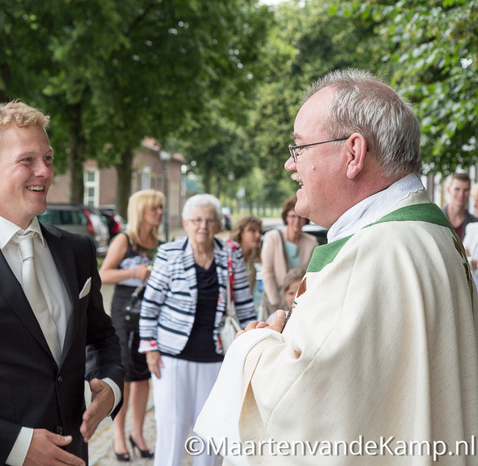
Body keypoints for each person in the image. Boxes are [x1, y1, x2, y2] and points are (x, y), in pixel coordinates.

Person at [195, 69, 478, 464]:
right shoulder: (433, 235)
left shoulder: (372, 252)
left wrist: (252, 346)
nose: (289, 165)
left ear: (353, 153)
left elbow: (302, 403)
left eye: (299, 149)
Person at [0, 101, 124, 466]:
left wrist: (110, 388)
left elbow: (102, 337)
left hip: (75, 455)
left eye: (48, 159)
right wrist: (14, 444)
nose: (44, 172)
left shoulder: (78, 250)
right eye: (27, 161)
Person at [139, 193, 256, 466]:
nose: (203, 225)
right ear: (186, 223)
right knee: (172, 426)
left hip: (216, 356)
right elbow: (150, 305)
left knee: (210, 430)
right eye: (197, 220)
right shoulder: (169, 253)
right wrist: (150, 350)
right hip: (172, 356)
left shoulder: (231, 253)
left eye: (210, 220)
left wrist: (251, 341)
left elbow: (245, 304)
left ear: (218, 224)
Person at [98, 189, 164, 462]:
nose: (160, 213)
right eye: (154, 209)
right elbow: (103, 274)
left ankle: (137, 433)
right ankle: (118, 435)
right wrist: (133, 272)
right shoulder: (124, 240)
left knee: (143, 376)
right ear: (141, 212)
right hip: (124, 314)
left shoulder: (159, 243)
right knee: (124, 377)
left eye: (161, 208)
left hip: (151, 314)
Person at [260, 197, 317, 319]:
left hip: (299, 302)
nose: (297, 220)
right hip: (275, 299)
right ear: (286, 217)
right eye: (292, 216)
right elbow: (267, 272)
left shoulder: (312, 242)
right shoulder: (272, 237)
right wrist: (275, 302)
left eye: (301, 217)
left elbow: (313, 274)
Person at [229, 216, 262, 294]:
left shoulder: (252, 261)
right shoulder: (230, 257)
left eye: (260, 231)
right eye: (253, 231)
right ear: (240, 232)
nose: (258, 235)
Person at [441, 172, 476, 240]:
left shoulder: (474, 223)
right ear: (448, 190)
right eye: (457, 189)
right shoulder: (437, 217)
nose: (461, 194)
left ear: (470, 192)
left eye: (466, 190)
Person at [462, 185, 478, 290]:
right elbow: (461, 261)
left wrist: (470, 261)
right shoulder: (472, 229)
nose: (475, 205)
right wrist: (473, 262)